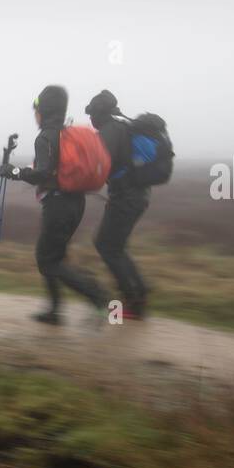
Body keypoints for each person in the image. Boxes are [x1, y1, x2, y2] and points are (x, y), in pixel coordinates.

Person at [0, 85, 107, 325]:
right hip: (75, 202)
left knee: (47, 260)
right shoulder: (64, 133)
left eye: (36, 110)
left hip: (59, 205)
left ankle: (97, 295)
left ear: (43, 110)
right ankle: (54, 311)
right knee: (53, 257)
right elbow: (52, 169)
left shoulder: (46, 136)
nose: (34, 114)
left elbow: (43, 173)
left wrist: (13, 171)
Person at [86, 90, 149, 319]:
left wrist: (82, 178)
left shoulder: (110, 130)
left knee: (106, 245)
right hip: (137, 195)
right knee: (115, 246)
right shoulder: (123, 125)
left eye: (92, 114)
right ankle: (139, 291)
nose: (91, 120)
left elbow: (101, 165)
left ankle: (133, 301)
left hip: (126, 197)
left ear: (99, 113)